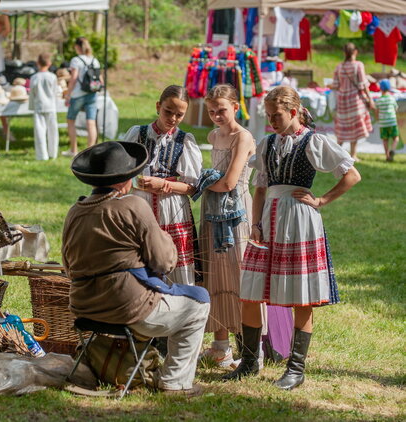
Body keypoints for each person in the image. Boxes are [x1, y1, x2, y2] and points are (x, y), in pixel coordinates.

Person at [225, 86, 361, 390]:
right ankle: (249, 363)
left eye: (277, 115)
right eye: (269, 115)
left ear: (293, 112)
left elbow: (351, 175)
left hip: (299, 221)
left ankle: (295, 369)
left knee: (301, 296)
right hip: (267, 221)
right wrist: (255, 222)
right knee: (250, 290)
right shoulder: (267, 143)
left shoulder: (313, 142)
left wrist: (323, 200)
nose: (272, 120)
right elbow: (260, 188)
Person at [63, 141, 210, 395]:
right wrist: (167, 243)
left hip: (84, 308)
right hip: (129, 309)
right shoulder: (133, 205)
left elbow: (68, 265)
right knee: (199, 304)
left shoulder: (75, 211)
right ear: (125, 180)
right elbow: (163, 261)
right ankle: (176, 383)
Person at [195, 84, 258, 367]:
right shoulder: (212, 134)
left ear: (235, 106)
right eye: (211, 111)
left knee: (238, 277)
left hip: (236, 213)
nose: (217, 116)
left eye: (222, 109)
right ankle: (221, 346)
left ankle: (250, 348)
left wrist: (195, 186)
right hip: (212, 210)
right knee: (215, 276)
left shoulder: (243, 137)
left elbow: (230, 182)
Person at [121, 85, 203, 286]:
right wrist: (137, 183)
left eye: (179, 115)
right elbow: (121, 173)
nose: (173, 118)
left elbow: (192, 187)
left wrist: (164, 184)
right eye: (168, 111)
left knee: (175, 264)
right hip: (141, 206)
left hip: (172, 208)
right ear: (158, 106)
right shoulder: (137, 134)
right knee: (139, 259)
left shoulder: (185, 141)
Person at [331, 42, 375, 161]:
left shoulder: (339, 67)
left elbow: (335, 85)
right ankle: (353, 154)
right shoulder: (358, 65)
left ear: (344, 53)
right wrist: (370, 99)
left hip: (342, 100)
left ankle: (336, 153)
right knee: (354, 127)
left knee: (342, 126)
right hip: (355, 100)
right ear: (355, 52)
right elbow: (363, 85)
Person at [63, 37, 102, 157]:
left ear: (77, 47)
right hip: (92, 94)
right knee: (91, 122)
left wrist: (68, 94)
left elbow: (74, 78)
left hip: (78, 95)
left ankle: (73, 150)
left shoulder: (76, 60)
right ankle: (90, 151)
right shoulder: (95, 60)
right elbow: (100, 79)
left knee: (71, 120)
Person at [28, 52, 59, 160]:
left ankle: (42, 155)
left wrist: (31, 106)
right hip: (51, 105)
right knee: (53, 130)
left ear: (38, 63)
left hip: (39, 105)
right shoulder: (53, 77)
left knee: (40, 131)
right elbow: (55, 92)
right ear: (49, 63)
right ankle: (53, 153)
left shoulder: (34, 77)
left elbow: (32, 93)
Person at [375, 79, 400, 162]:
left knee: (385, 140)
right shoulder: (392, 99)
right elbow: (396, 109)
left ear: (380, 89)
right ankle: (393, 149)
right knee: (396, 138)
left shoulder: (378, 100)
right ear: (389, 88)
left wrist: (378, 119)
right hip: (392, 122)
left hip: (383, 124)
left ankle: (387, 155)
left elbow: (377, 111)